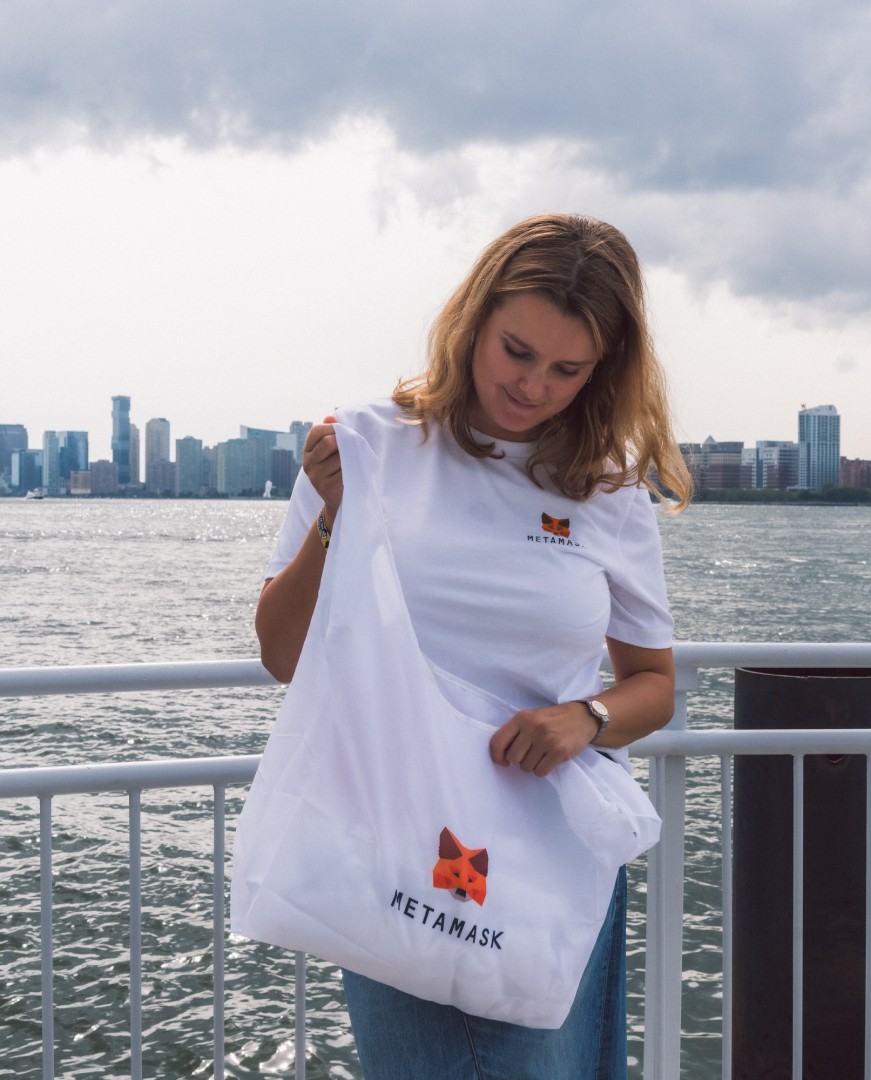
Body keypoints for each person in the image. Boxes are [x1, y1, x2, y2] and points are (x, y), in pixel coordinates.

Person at [255, 213, 692, 1079]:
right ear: (473, 322)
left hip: (553, 850)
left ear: (605, 369)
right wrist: (334, 518)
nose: (533, 385)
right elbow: (281, 655)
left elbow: (653, 685)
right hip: (400, 843)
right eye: (516, 350)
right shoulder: (368, 446)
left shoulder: (609, 489)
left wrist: (586, 717)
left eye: (568, 369)